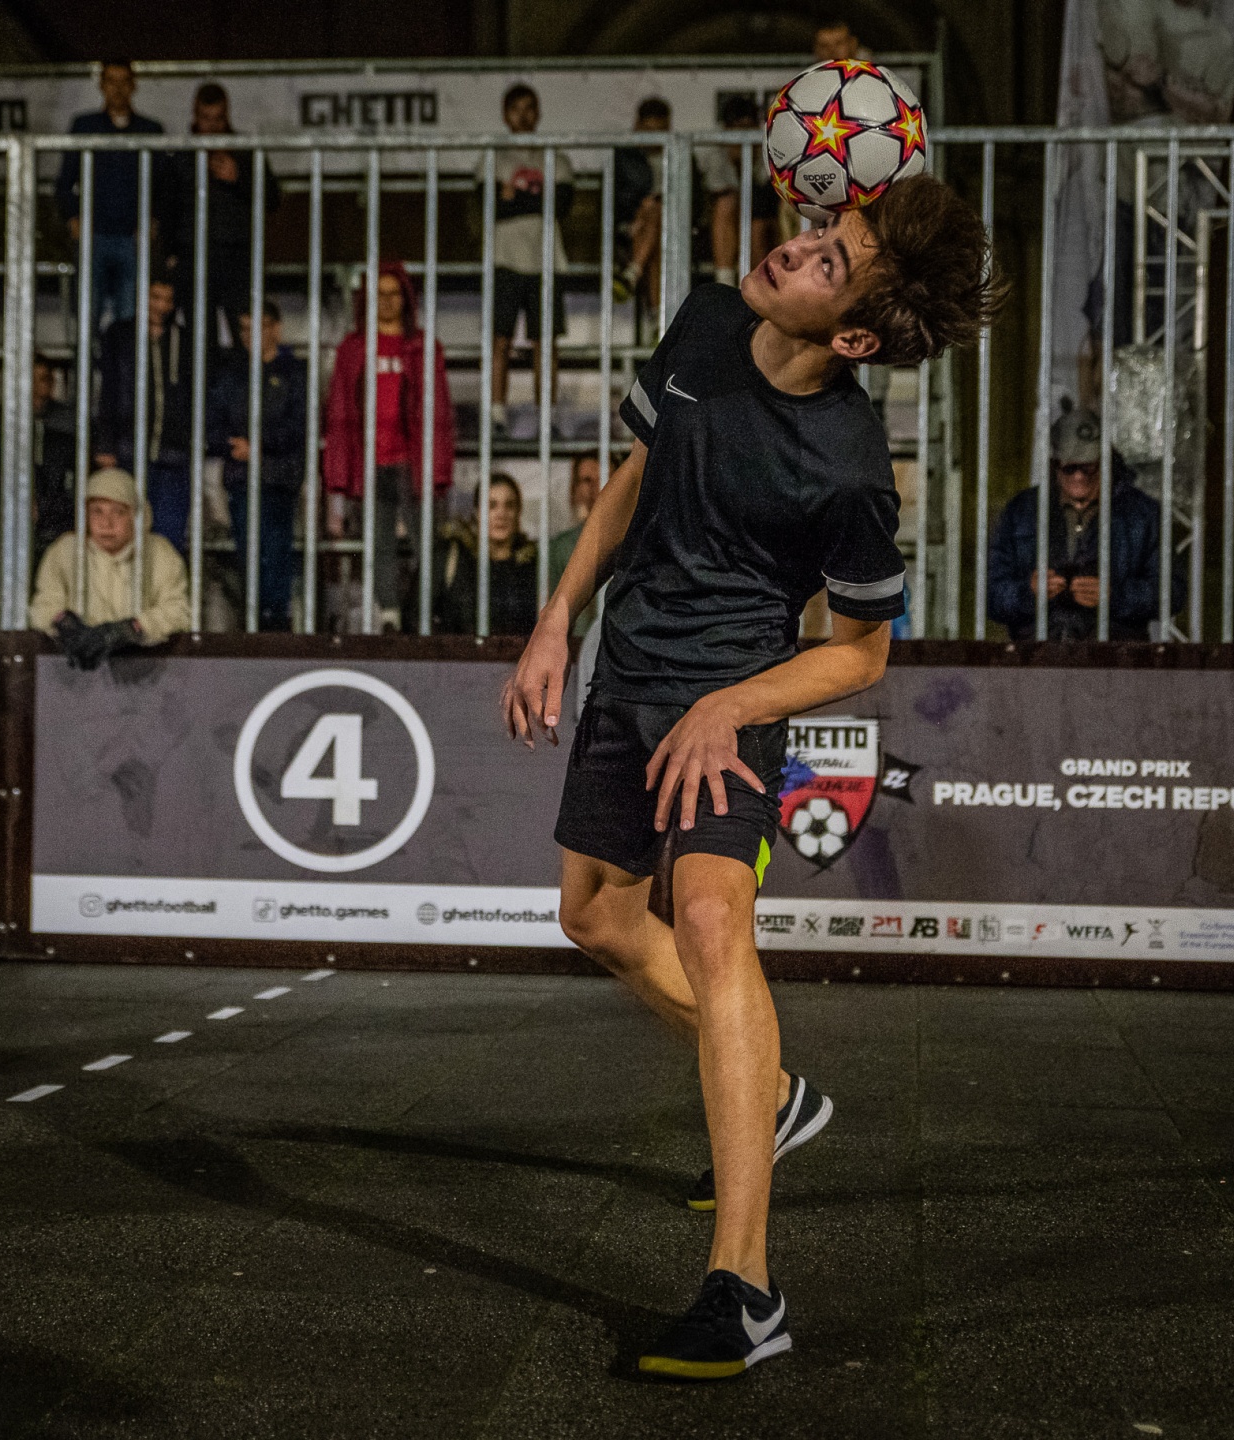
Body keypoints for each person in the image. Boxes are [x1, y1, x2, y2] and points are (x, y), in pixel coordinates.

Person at [502, 175, 998, 1378]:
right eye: (825, 231)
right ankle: (771, 1095)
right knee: (594, 918)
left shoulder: (849, 466)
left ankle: (746, 1289)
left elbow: (862, 652)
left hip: (732, 701)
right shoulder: (708, 318)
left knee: (713, 921)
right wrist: (559, 614)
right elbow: (636, 471)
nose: (802, 246)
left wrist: (730, 706)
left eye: (834, 260)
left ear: (857, 339)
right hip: (627, 671)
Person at [321, 258, 456, 633]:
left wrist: (438, 466)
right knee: (379, 545)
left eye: (394, 293)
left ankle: (422, 614)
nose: (388, 301)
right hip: (371, 464)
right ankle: (391, 616)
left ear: (406, 298)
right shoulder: (353, 348)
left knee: (428, 545)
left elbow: (440, 410)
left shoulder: (423, 346)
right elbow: (339, 410)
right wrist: (339, 474)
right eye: (379, 294)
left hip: (413, 462)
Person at [985, 403, 1172, 643]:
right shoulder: (1022, 511)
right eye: (1070, 467)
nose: (1079, 476)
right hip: (1037, 655)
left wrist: (1115, 596)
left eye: (1088, 467)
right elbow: (991, 594)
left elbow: (1171, 593)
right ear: (1055, 464)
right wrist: (1028, 593)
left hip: (1115, 657)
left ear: (1106, 461)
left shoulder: (1142, 514)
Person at [29, 465, 190, 668]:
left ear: (136, 515)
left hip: (144, 672)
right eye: (97, 511)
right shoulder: (65, 550)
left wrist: (132, 628)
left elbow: (178, 610)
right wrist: (63, 624)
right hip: (76, 672)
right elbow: (43, 604)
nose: (106, 523)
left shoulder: (160, 553)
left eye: (119, 512)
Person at [209, 300, 306, 632]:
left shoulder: (294, 373)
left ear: (276, 329)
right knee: (249, 556)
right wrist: (234, 446)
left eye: (258, 327)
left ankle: (273, 625)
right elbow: (211, 423)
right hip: (241, 477)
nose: (250, 335)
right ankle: (255, 625)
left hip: (279, 478)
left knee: (275, 555)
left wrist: (260, 445)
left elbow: (300, 425)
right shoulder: (231, 375)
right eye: (244, 329)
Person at [156, 82, 282, 337]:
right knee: (200, 336)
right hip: (192, 256)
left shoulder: (245, 152)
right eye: (206, 118)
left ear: (227, 115)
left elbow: (273, 199)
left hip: (237, 257)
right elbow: (167, 209)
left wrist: (239, 179)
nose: (212, 126)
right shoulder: (180, 154)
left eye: (218, 118)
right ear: (195, 115)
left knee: (245, 333)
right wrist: (169, 256)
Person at [54, 60, 164, 331]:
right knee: (87, 316)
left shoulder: (150, 130)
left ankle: (123, 362)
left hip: (133, 237)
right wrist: (74, 218)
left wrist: (153, 220)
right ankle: (85, 361)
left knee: (129, 320)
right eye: (111, 81)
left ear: (133, 85)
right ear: (102, 85)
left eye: (123, 81)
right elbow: (64, 182)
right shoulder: (84, 126)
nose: (118, 88)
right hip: (94, 235)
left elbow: (164, 184)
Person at [97, 276, 199, 556]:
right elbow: (108, 392)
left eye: (168, 300)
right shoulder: (119, 335)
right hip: (128, 453)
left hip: (174, 456)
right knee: (124, 540)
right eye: (155, 298)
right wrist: (105, 444)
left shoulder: (186, 339)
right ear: (141, 297)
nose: (161, 306)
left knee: (168, 543)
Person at [490, 84, 573, 421]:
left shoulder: (556, 157)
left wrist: (515, 198)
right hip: (504, 258)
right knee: (499, 339)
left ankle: (546, 418)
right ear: (505, 115)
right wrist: (539, 198)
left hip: (546, 260)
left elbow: (562, 204)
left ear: (538, 113)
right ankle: (496, 415)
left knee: (546, 343)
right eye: (516, 109)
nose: (523, 116)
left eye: (529, 108)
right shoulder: (493, 157)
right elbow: (487, 206)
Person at [436, 474, 539, 636]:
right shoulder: (453, 559)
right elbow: (414, 617)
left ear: (518, 511)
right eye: (491, 505)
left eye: (509, 505)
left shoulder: (534, 565)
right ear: (477, 512)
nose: (501, 514)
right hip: (460, 653)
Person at [697, 94, 777, 288]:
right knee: (727, 204)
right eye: (737, 128)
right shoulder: (716, 154)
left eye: (748, 128)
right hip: (720, 223)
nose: (743, 135)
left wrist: (748, 161)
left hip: (762, 220)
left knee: (757, 224)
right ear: (727, 129)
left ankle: (756, 289)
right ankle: (724, 284)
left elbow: (766, 198)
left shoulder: (768, 152)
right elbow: (717, 195)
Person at [614, 98, 670, 308]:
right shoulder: (625, 158)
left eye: (659, 130)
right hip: (633, 224)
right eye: (649, 130)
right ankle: (658, 318)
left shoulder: (680, 154)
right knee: (658, 238)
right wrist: (641, 208)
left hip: (670, 226)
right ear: (637, 126)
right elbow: (618, 199)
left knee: (659, 222)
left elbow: (695, 200)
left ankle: (632, 274)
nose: (654, 137)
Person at [544, 453, 603, 637]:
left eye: (606, 477)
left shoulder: (636, 542)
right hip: (575, 645)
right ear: (575, 489)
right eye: (587, 480)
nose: (596, 487)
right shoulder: (560, 547)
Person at [32, 354, 80, 555]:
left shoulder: (68, 418)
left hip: (61, 509)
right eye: (37, 377)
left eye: (47, 377)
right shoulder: (2, 418)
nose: (44, 383)